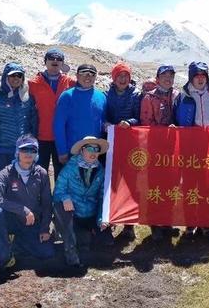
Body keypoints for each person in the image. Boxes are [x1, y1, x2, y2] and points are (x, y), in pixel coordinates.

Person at [0, 62, 38, 252]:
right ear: (5, 77)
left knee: (20, 194)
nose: (16, 79)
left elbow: (31, 127)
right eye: (12, 75)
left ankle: (17, 235)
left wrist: (31, 153)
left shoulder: (27, 100)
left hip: (20, 156)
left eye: (19, 76)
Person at [0, 134, 54, 274]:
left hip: (31, 223)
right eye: (25, 150)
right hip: (12, 220)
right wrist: (22, 209)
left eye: (33, 150)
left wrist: (44, 228)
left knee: (47, 253)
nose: (28, 154)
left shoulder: (41, 173)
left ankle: (14, 244)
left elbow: (47, 203)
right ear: (17, 152)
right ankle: (2, 258)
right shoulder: (6, 173)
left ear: (36, 154)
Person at [174, 61, 209, 238]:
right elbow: (176, 118)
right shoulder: (182, 96)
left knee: (206, 185)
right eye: (197, 76)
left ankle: (205, 223)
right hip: (188, 147)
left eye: (203, 76)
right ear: (191, 77)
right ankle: (189, 224)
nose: (201, 79)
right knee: (189, 185)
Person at [53, 136, 110, 267]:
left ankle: (83, 237)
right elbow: (57, 191)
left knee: (103, 242)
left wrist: (102, 218)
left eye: (96, 149)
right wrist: (65, 198)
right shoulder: (69, 168)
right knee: (60, 207)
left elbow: (102, 196)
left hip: (89, 213)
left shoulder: (100, 171)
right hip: (72, 212)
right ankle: (71, 256)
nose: (93, 152)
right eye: (90, 148)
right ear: (82, 151)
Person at [139, 64, 180, 241]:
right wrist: (164, 130)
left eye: (171, 76)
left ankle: (168, 222)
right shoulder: (149, 97)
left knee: (171, 186)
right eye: (164, 76)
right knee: (155, 186)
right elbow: (146, 122)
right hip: (155, 148)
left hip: (174, 149)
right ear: (157, 78)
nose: (168, 79)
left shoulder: (178, 96)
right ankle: (155, 225)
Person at [104, 61, 142, 241]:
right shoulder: (106, 95)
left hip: (130, 144)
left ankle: (129, 225)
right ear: (114, 77)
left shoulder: (136, 95)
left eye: (126, 76)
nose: (123, 79)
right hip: (111, 144)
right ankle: (110, 219)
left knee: (131, 184)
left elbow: (139, 117)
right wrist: (106, 124)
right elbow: (104, 116)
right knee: (112, 182)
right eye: (120, 75)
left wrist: (130, 122)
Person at [28, 48, 75, 181]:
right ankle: (41, 200)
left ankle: (59, 201)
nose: (55, 61)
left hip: (62, 137)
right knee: (39, 173)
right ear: (45, 62)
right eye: (51, 58)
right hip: (40, 136)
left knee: (62, 174)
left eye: (59, 59)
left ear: (62, 63)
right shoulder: (33, 83)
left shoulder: (71, 82)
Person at [53, 63, 107, 165]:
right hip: (73, 152)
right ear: (77, 76)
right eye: (83, 73)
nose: (88, 76)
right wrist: (62, 151)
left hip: (94, 152)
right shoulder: (67, 96)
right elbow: (58, 125)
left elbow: (103, 122)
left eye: (92, 74)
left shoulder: (101, 96)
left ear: (95, 77)